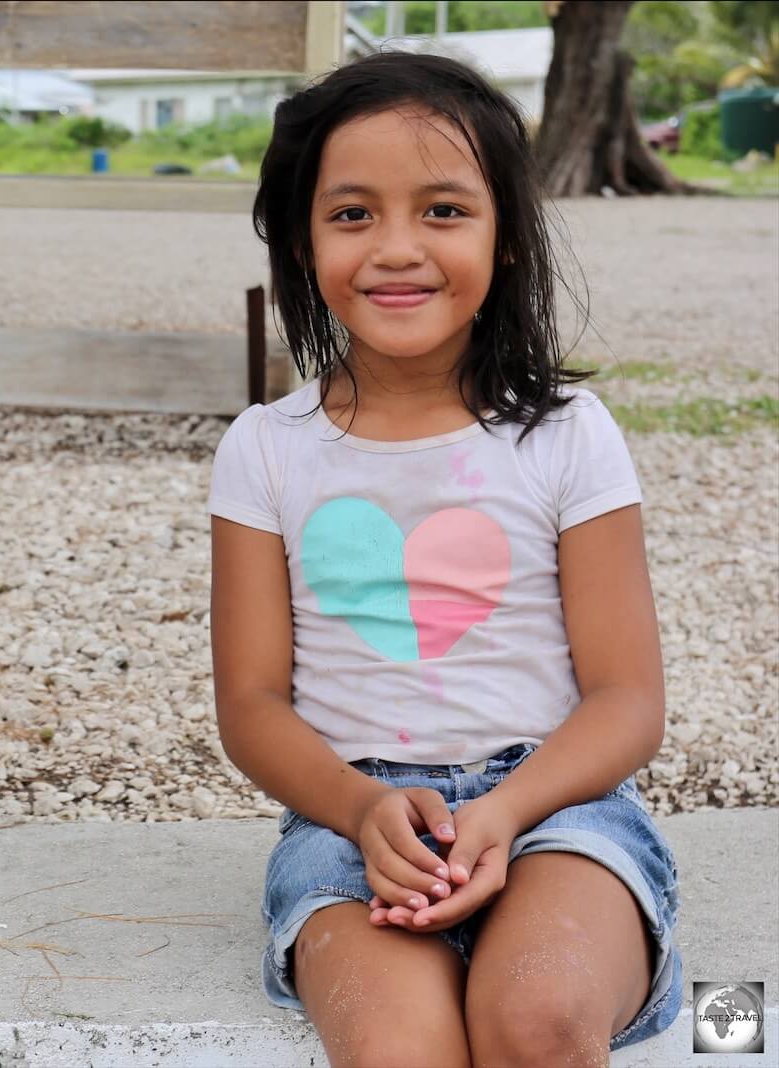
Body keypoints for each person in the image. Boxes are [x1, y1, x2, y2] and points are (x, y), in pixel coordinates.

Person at [209, 53, 681, 1067]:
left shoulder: (568, 435)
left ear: (506, 238)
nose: (395, 249)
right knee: (395, 1048)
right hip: (350, 820)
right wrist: (362, 807)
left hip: (555, 805)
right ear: (300, 240)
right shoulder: (264, 449)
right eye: (350, 214)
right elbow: (250, 704)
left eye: (441, 210)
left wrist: (506, 812)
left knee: (539, 1020)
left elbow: (626, 697)